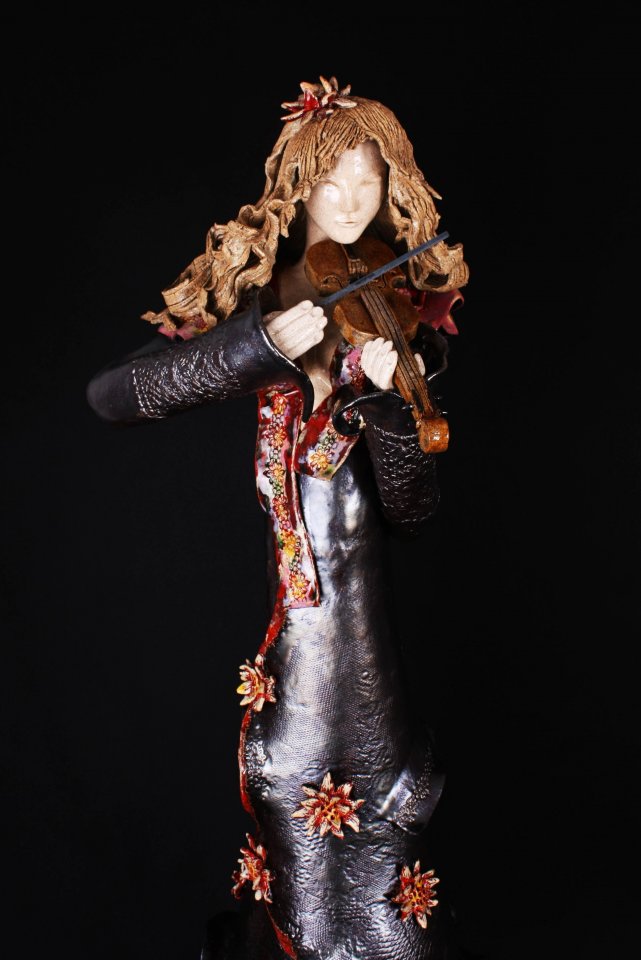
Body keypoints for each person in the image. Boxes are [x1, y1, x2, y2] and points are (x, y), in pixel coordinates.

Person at [87, 76, 468, 960]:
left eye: (369, 182)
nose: (351, 203)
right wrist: (251, 348)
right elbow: (112, 397)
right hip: (294, 643)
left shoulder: (399, 314)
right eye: (331, 182)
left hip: (365, 654)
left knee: (381, 824)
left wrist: (386, 406)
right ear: (297, 187)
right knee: (288, 805)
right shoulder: (258, 301)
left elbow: (413, 511)